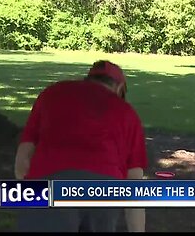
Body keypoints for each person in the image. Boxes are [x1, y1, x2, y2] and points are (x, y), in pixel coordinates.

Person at [13, 60, 147, 232]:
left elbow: (22, 163)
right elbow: (134, 181)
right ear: (119, 88)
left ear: (87, 79)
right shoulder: (127, 113)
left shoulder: (51, 94)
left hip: (49, 180)